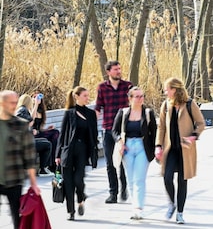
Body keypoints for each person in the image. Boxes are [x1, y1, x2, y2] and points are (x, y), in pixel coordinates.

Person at [155, 77, 206, 225]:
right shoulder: (165, 105)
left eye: (167, 89)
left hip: (185, 150)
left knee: (182, 181)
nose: (165, 92)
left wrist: (193, 136)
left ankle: (180, 213)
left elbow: (201, 123)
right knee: (167, 177)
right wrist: (158, 145)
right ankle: (172, 203)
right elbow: (161, 127)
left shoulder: (190, 104)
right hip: (170, 149)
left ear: (175, 90)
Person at [112, 87, 157, 220]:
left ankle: (139, 208)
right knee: (131, 179)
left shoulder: (148, 113)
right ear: (130, 98)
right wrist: (120, 142)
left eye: (142, 96)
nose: (140, 99)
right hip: (127, 147)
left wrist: (156, 149)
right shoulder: (123, 112)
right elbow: (114, 130)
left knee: (139, 179)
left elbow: (154, 133)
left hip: (142, 147)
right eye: (136, 96)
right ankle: (134, 207)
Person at [55, 86, 99, 221]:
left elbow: (94, 134)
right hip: (68, 151)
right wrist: (57, 154)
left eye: (88, 95)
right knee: (68, 182)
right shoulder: (69, 113)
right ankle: (71, 212)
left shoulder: (91, 114)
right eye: (85, 95)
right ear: (77, 96)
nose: (87, 98)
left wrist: (94, 150)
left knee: (78, 180)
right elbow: (62, 135)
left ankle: (80, 199)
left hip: (83, 152)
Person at [0, 90, 40, 229]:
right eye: (11, 103)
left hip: (15, 178)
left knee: (18, 219)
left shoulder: (22, 125)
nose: (14, 106)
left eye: (16, 102)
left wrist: (34, 183)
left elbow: (30, 156)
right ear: (2, 103)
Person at [96, 60, 133, 204]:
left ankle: (124, 187)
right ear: (108, 72)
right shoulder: (102, 88)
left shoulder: (128, 86)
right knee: (110, 163)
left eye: (119, 68)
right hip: (108, 129)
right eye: (115, 69)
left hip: (124, 131)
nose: (119, 71)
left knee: (123, 162)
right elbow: (98, 107)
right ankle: (113, 193)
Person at [15, 94, 54, 176]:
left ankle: (44, 168)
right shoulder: (22, 110)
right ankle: (43, 169)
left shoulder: (21, 109)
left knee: (46, 141)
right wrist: (36, 104)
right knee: (47, 145)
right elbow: (30, 122)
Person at [32, 94, 60, 172]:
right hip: (32, 135)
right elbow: (31, 119)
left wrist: (47, 129)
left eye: (39, 97)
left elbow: (39, 129)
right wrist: (35, 104)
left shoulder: (41, 112)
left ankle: (53, 162)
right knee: (52, 136)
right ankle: (51, 164)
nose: (37, 99)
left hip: (39, 133)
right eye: (35, 97)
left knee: (55, 132)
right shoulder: (31, 110)